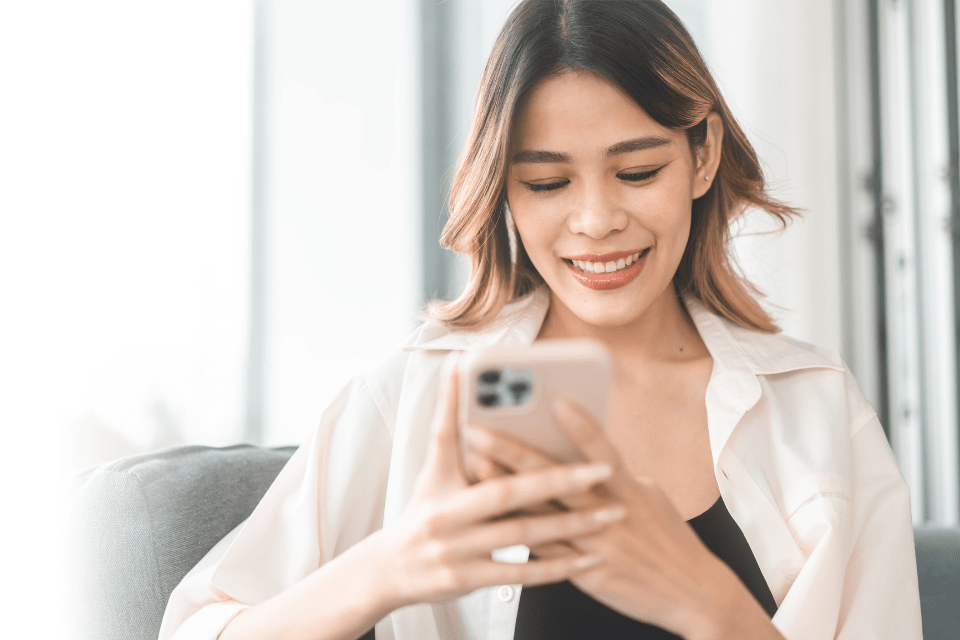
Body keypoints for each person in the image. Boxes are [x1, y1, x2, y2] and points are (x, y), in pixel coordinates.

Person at [159, 1, 922, 639]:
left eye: (638, 171)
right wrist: (392, 565)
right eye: (548, 182)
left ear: (703, 155)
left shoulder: (817, 411)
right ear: (505, 194)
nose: (595, 220)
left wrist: (714, 608)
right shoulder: (418, 396)